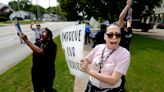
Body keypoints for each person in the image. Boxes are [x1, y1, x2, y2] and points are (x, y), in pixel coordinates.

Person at [80, 0, 131, 92]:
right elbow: (87, 60)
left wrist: (89, 71)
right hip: (92, 87)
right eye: (110, 34)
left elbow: (113, 80)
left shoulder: (124, 53)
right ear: (104, 36)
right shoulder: (98, 47)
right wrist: (74, 55)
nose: (114, 37)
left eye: (118, 35)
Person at [21, 28, 57, 92]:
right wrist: (21, 35)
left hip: (47, 74)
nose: (41, 34)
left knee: (48, 89)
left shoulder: (52, 45)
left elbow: (40, 52)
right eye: (41, 33)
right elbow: (33, 46)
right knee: (37, 89)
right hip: (36, 73)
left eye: (44, 33)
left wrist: (26, 40)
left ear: (49, 37)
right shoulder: (39, 43)